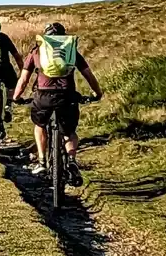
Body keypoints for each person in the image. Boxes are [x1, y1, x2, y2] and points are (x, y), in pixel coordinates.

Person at [13, 22, 103, 185]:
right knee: (70, 132)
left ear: (46, 37)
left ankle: (41, 162)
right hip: (67, 96)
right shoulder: (71, 52)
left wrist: (16, 97)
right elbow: (88, 75)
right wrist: (98, 93)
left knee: (39, 125)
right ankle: (72, 160)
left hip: (43, 97)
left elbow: (24, 78)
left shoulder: (37, 51)